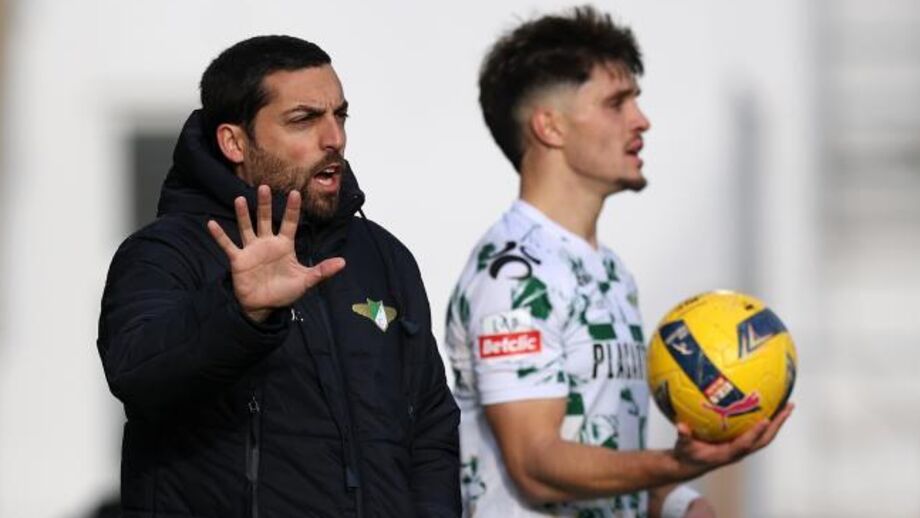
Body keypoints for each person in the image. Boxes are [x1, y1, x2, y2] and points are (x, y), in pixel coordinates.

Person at [444, 7, 793, 518]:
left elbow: (602, 453)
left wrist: (678, 503)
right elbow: (536, 464)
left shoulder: (609, 271)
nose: (641, 120)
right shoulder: (514, 275)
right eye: (616, 103)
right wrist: (675, 466)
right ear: (550, 126)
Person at [97, 35, 459, 518]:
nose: (334, 139)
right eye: (304, 119)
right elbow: (137, 375)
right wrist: (240, 313)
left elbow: (431, 428)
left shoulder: (381, 255)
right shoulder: (165, 252)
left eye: (340, 116)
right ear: (234, 141)